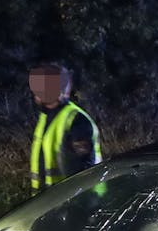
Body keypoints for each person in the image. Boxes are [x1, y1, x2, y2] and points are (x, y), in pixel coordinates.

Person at [28, 62, 102, 192]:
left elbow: (83, 174)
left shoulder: (76, 120)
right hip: (49, 204)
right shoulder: (45, 117)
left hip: (77, 205)